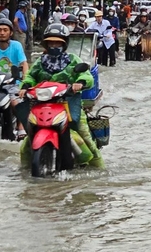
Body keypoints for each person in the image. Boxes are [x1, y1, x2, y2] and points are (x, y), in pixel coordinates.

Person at [18, 24, 103, 168]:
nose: (54, 45)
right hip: (43, 105)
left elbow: (86, 76)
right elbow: (30, 77)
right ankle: (25, 172)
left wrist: (80, 83)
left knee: (86, 139)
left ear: (64, 44)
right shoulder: (40, 62)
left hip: (68, 103)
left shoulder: (72, 60)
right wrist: (25, 86)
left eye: (57, 42)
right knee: (25, 146)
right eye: (51, 42)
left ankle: (100, 170)